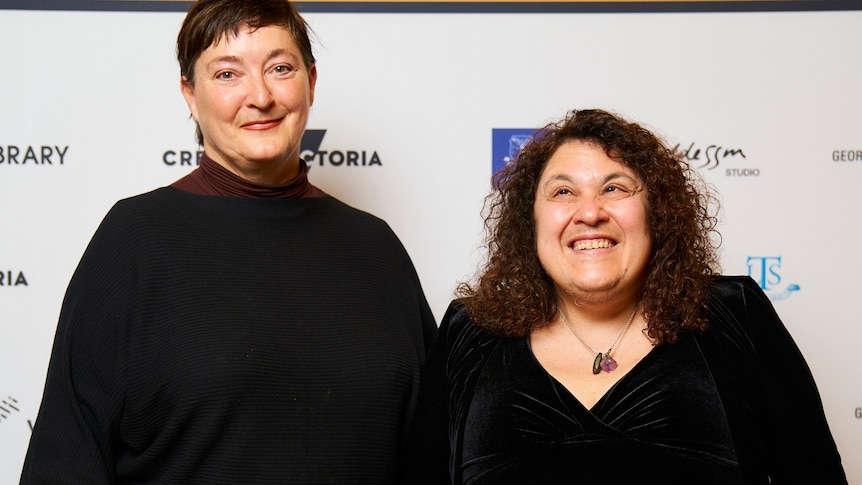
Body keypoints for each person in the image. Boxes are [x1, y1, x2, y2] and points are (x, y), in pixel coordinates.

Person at [20, 1, 436, 483]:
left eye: (280, 68)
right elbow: (66, 459)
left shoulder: (376, 248)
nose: (259, 96)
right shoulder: (134, 240)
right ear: (190, 95)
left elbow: (428, 453)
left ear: (311, 83)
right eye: (227, 74)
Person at [407, 109, 847, 484]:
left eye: (614, 188)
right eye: (563, 191)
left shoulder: (735, 314)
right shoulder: (470, 333)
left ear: (656, 212)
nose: (590, 211)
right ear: (531, 222)